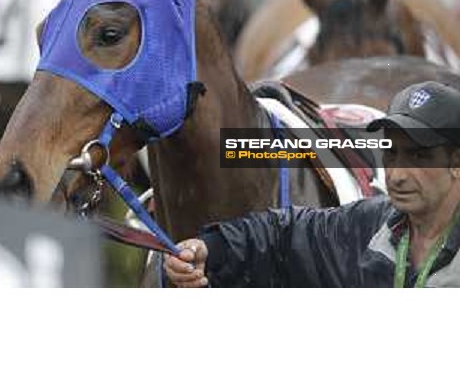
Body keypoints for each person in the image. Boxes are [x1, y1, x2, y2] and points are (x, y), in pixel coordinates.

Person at [164, 81, 460, 288]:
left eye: (419, 156)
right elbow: (282, 234)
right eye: (391, 154)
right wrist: (210, 249)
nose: (396, 175)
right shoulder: (366, 226)